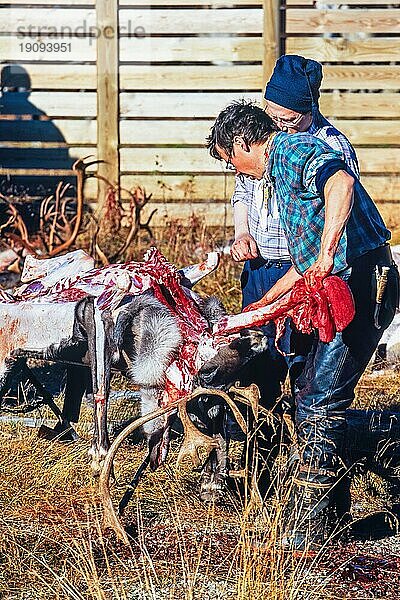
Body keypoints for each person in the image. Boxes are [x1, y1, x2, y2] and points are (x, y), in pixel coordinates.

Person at [207, 101, 399, 549]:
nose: (233, 169)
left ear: (241, 143)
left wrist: (330, 250)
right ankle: (342, 497)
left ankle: (311, 530)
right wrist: (263, 307)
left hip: (364, 281)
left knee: (319, 403)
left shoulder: (290, 151)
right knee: (311, 396)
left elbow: (342, 182)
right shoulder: (278, 173)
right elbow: (302, 263)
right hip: (349, 279)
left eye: (228, 158)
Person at [231, 55, 360, 394]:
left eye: (287, 120)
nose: (280, 127)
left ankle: (301, 435)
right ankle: (260, 440)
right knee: (258, 361)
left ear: (309, 111)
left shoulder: (331, 147)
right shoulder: (264, 136)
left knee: (302, 363)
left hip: (301, 271)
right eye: (272, 116)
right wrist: (242, 232)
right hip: (260, 267)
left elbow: (341, 197)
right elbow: (242, 187)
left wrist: (323, 256)